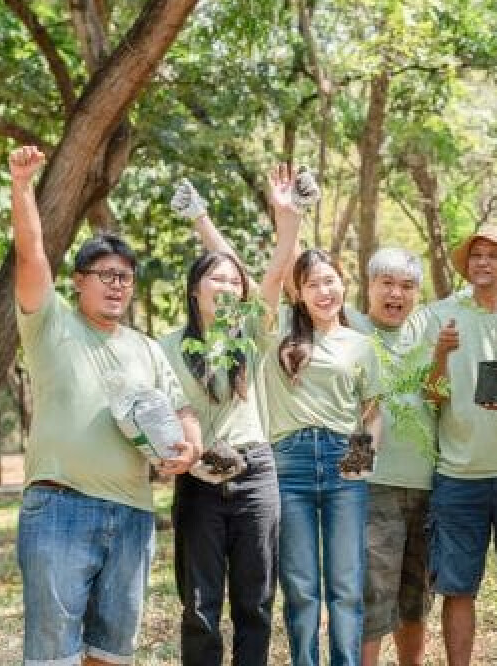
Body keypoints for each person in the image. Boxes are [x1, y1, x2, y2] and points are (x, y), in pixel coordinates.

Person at [8, 145, 200, 666]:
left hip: (133, 515)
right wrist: (23, 187)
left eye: (124, 277)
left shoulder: (146, 348)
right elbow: (31, 255)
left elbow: (182, 414)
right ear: (79, 282)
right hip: (60, 508)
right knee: (53, 653)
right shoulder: (51, 324)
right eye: (105, 275)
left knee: (112, 653)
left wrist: (186, 452)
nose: (117, 285)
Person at [161, 169, 300, 665]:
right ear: (194, 288)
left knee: (255, 601)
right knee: (199, 604)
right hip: (197, 479)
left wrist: (290, 220)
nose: (224, 284)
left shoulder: (249, 333)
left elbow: (272, 272)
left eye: (231, 279)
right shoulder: (167, 348)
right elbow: (158, 417)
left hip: (255, 473)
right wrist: (184, 460)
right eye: (212, 277)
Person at [410, 224, 497, 666]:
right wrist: (440, 354)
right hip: (458, 474)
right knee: (456, 585)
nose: (483, 262)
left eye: (494, 255)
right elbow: (431, 396)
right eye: (476, 255)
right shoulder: (440, 315)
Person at [261, 245, 384, 666]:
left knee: (346, 584)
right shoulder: (279, 329)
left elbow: (373, 412)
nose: (324, 290)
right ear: (299, 293)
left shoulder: (360, 344)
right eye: (312, 284)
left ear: (343, 284)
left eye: (330, 280)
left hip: (343, 461)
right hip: (288, 463)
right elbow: (269, 280)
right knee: (300, 585)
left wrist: (362, 457)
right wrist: (289, 217)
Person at [349, 248, 438, 666]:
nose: (396, 294)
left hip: (427, 485)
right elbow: (297, 278)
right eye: (386, 283)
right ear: (368, 286)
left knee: (415, 599)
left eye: (406, 286)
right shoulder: (350, 325)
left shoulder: (426, 327)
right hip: (371, 486)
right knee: (372, 596)